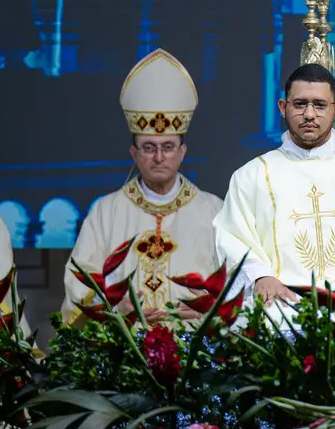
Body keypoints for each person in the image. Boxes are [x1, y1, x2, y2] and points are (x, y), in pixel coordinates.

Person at [213, 64, 335, 345]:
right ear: (283, 107)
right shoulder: (252, 176)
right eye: (300, 104)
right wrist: (260, 277)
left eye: (320, 105)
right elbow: (231, 236)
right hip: (279, 300)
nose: (309, 114)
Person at [63, 50, 223, 322]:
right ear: (133, 153)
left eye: (168, 147)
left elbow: (237, 285)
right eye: (149, 148)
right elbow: (81, 280)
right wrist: (114, 309)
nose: (159, 157)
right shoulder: (107, 211)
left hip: (195, 348)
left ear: (183, 152)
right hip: (125, 348)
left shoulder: (212, 210)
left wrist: (208, 309)